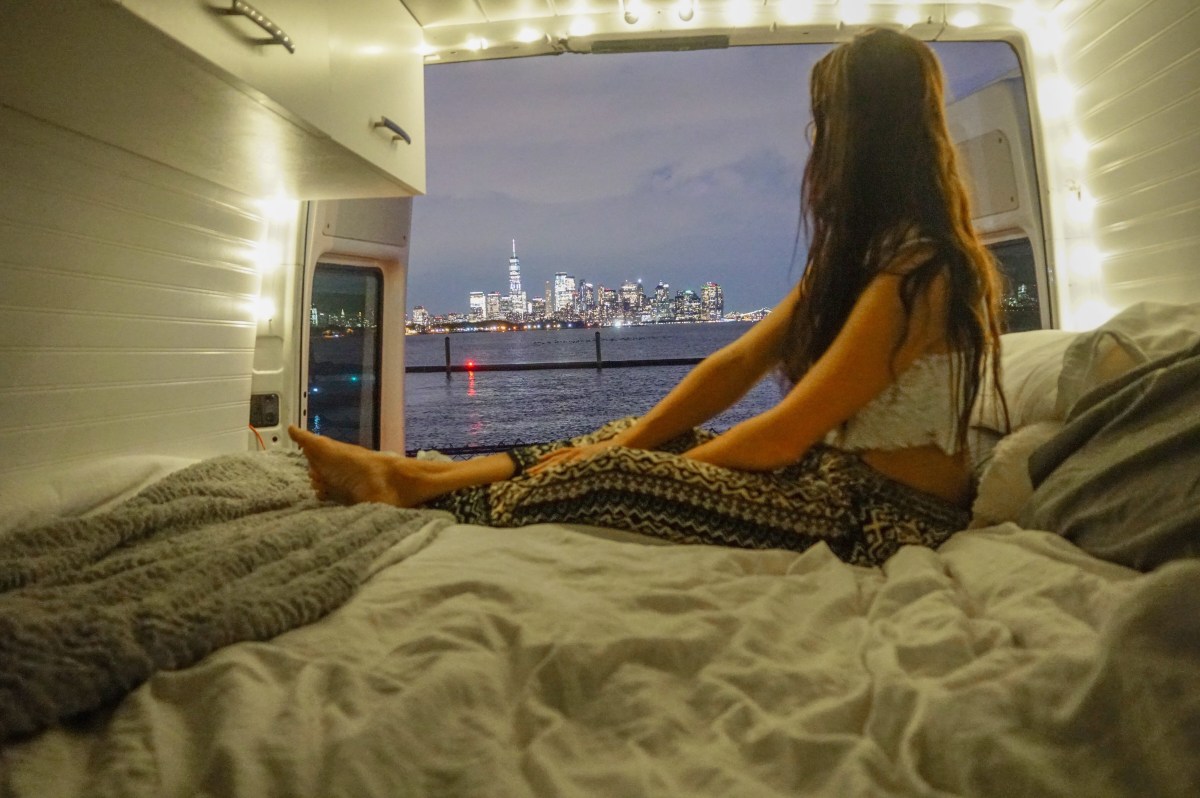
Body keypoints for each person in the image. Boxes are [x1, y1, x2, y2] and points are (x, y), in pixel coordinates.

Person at [289, 28, 1006, 568]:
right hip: (829, 479)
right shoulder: (861, 260)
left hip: (882, 518)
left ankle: (416, 492)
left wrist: (633, 464)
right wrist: (629, 441)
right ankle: (412, 475)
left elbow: (785, 434)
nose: (818, 142)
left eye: (829, 123)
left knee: (609, 474)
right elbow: (733, 366)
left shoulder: (922, 273)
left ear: (867, 139)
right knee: (623, 435)